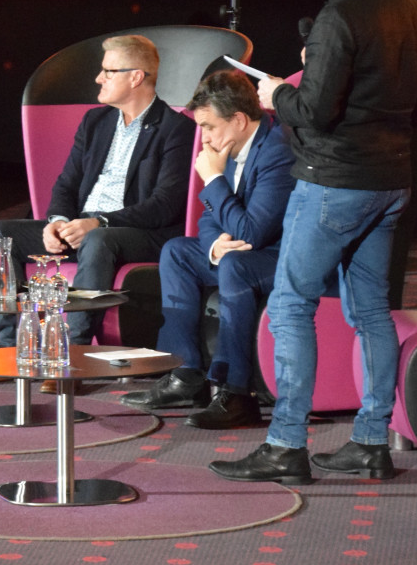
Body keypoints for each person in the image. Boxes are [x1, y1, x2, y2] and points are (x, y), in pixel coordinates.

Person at [209, 0, 417, 485]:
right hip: (391, 182)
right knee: (371, 313)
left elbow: (312, 112)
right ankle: (369, 441)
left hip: (334, 183)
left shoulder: (340, 17)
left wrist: (273, 95)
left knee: (290, 305)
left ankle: (287, 444)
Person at [0, 35, 193, 383]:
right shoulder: (95, 122)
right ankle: (6, 352)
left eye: (108, 71)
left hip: (138, 233)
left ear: (136, 77)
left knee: (98, 240)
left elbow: (164, 205)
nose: (98, 79)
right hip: (83, 227)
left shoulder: (176, 129)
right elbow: (66, 184)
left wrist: (97, 222)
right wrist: (55, 222)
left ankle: (70, 359)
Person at [119, 69, 295, 428]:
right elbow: (210, 218)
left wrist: (214, 178)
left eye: (209, 127)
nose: (204, 138)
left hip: (283, 255)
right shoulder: (228, 144)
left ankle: (235, 391)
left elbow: (254, 232)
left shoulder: (277, 150)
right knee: (177, 252)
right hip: (244, 249)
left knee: (236, 267)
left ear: (240, 119)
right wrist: (215, 243)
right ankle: (185, 374)